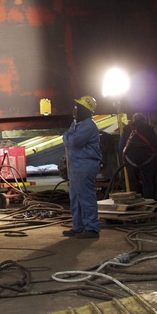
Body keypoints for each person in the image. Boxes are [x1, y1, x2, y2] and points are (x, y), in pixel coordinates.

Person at [62, 95, 103, 239]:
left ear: (86, 110)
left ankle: (92, 228)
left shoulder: (88, 125)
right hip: (76, 165)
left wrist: (68, 138)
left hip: (85, 164)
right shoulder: (76, 124)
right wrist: (68, 138)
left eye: (78, 107)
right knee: (75, 197)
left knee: (86, 196)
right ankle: (78, 227)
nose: (75, 109)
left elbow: (74, 141)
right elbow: (67, 137)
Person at [119, 112, 157, 199]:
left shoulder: (127, 129)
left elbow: (121, 146)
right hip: (147, 156)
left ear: (133, 120)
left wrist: (122, 159)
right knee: (149, 180)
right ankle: (150, 201)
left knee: (133, 181)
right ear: (144, 120)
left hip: (131, 157)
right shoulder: (149, 128)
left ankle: (135, 202)